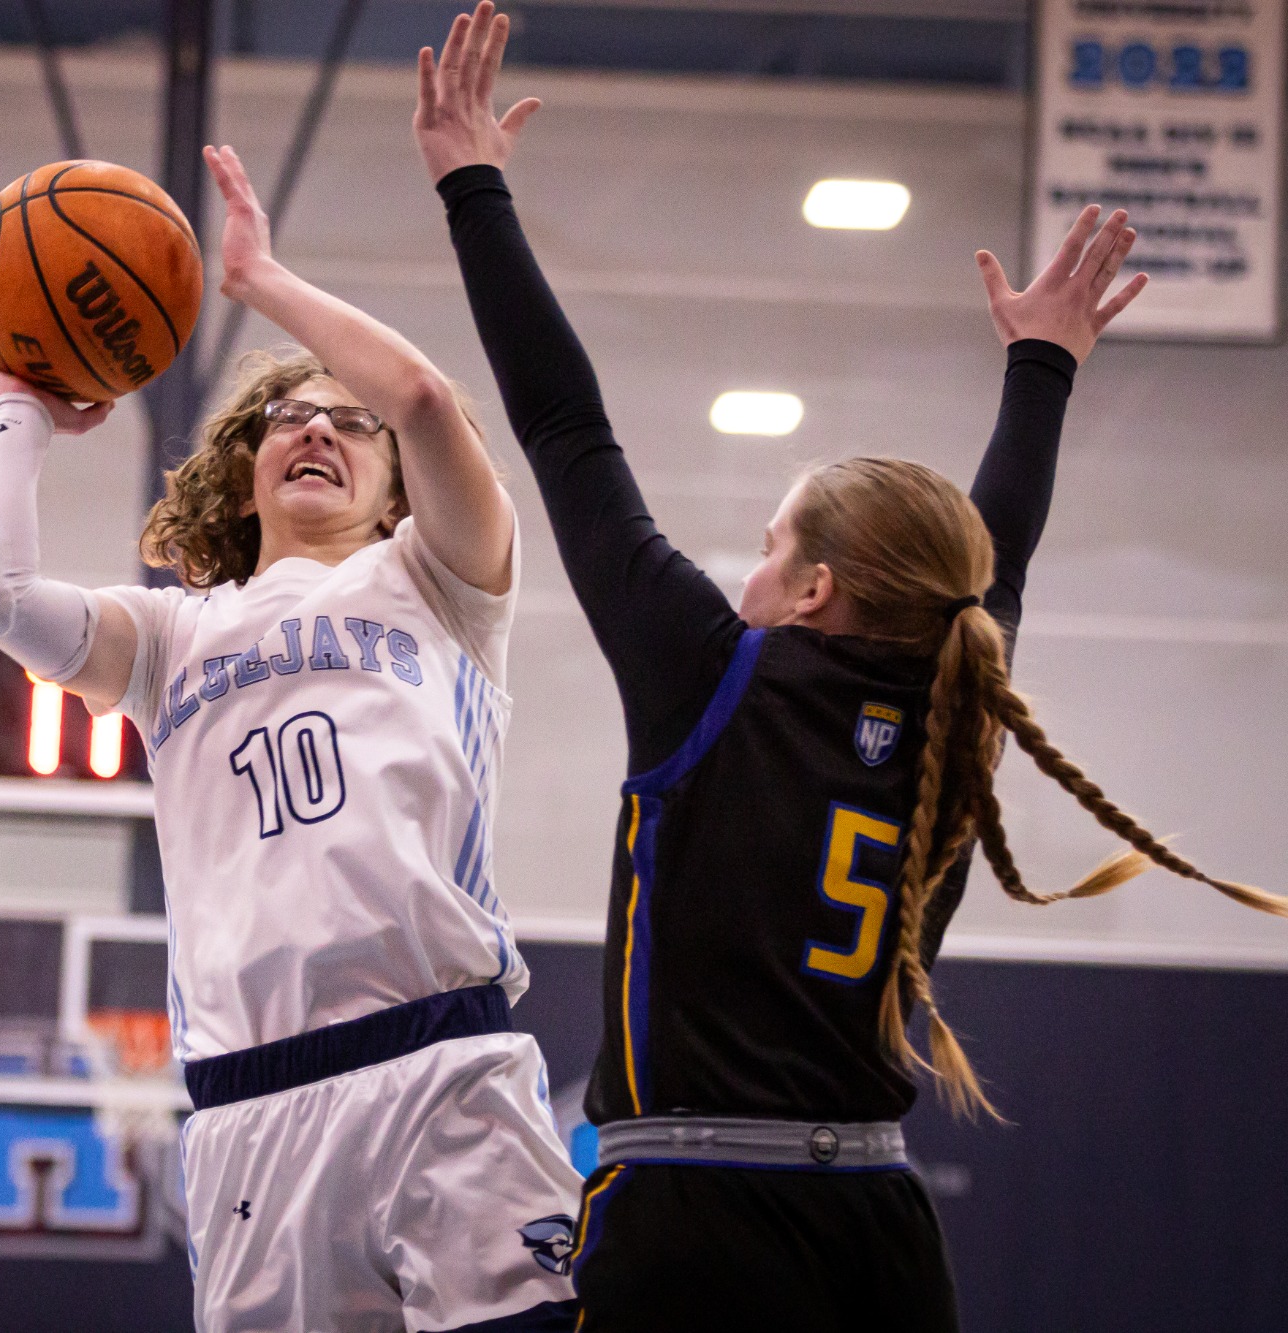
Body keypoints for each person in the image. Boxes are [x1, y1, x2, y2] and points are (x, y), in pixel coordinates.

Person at [410, 4, 1287, 1328]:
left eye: (768, 550)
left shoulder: (719, 677)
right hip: (881, 1234)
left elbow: (561, 422)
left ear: (815, 589)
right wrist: (1042, 366)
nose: (743, 575)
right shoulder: (957, 698)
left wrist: (470, 186)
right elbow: (1000, 563)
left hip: (696, 1230)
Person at [0, 142, 580, 1331]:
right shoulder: (167, 637)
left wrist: (261, 283)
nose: (316, 430)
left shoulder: (437, 585)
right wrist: (21, 410)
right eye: (286, 419)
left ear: (394, 490)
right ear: (242, 477)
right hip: (249, 1113)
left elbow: (427, 400)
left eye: (348, 422)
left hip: (442, 1070)